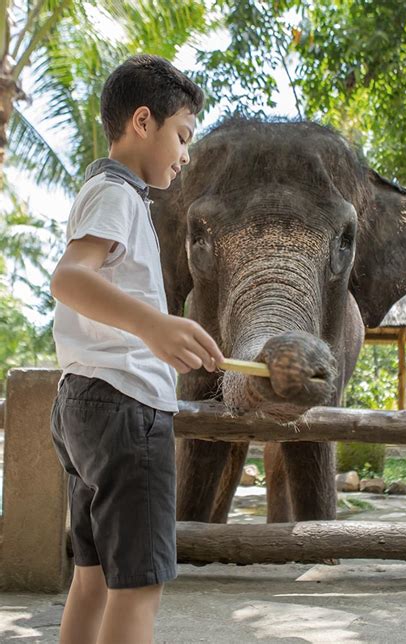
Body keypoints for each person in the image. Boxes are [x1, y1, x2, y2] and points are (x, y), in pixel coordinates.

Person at [49, 54, 225, 644]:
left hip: (85, 404)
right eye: (182, 136)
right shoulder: (118, 193)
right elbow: (69, 279)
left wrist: (164, 334)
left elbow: (95, 290)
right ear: (143, 122)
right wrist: (154, 328)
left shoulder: (110, 195)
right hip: (125, 411)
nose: (185, 154)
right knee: (139, 588)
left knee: (94, 578)